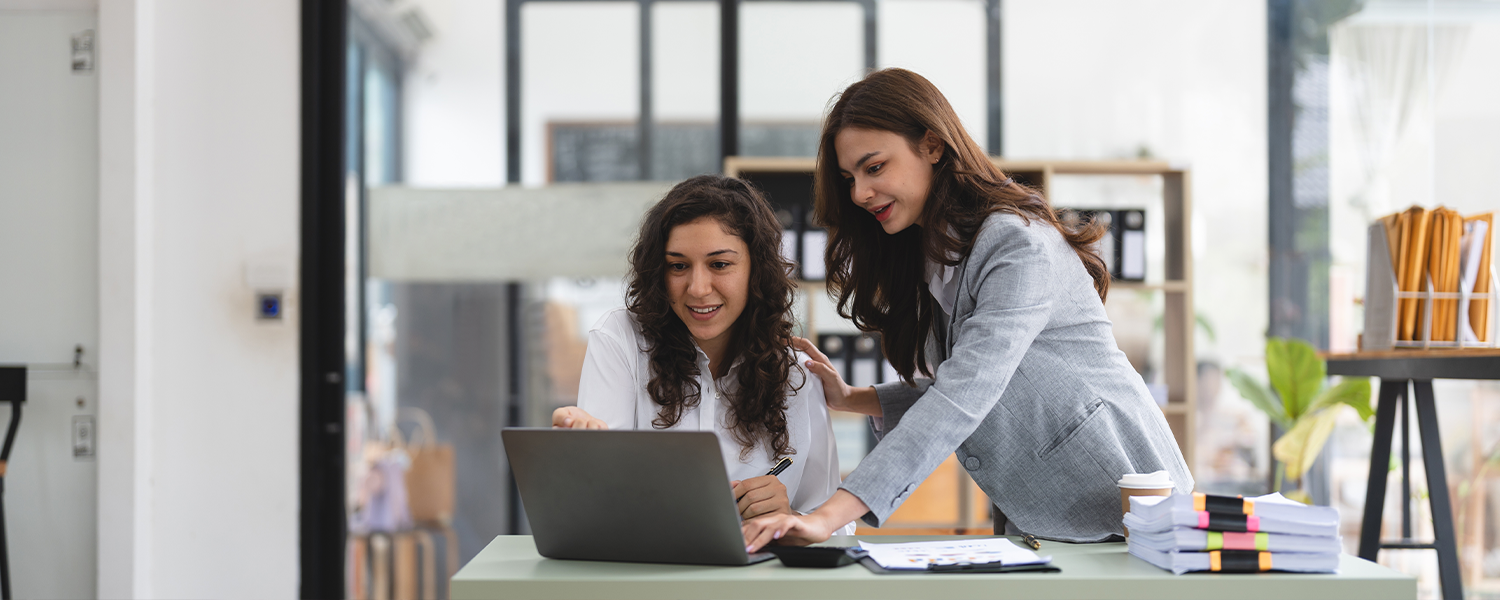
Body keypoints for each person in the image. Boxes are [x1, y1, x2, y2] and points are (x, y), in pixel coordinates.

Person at [742, 68, 1193, 551]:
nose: (859, 193)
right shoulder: (936, 256)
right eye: (850, 177)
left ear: (933, 146)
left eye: (874, 168)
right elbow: (977, 386)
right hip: (1046, 519)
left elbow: (967, 392)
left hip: (1124, 506)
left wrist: (828, 515)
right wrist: (855, 398)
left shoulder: (1016, 244)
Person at [552, 175, 856, 533]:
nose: (697, 289)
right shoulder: (622, 339)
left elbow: (836, 525)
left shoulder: (797, 373)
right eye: (678, 266)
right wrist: (583, 454)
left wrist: (790, 519)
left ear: (756, 270)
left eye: (719, 264)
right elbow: (596, 502)